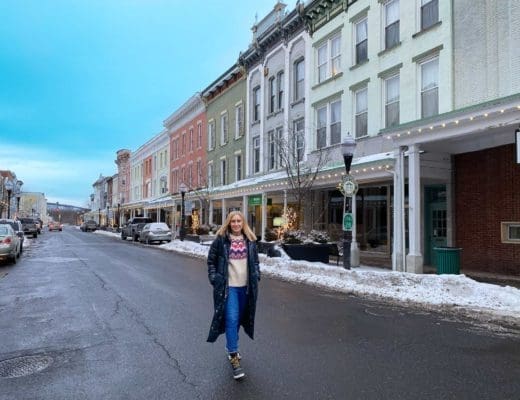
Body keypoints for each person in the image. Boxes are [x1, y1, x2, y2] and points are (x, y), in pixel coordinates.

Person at [207, 210, 261, 380]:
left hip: (246, 289)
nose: (236, 224)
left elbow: (256, 262)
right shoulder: (221, 241)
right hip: (228, 289)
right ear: (228, 223)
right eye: (233, 221)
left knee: (238, 320)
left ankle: (232, 346)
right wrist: (215, 278)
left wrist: (257, 274)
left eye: (239, 221)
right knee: (231, 319)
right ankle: (233, 356)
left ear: (243, 223)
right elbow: (211, 261)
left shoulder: (250, 241)